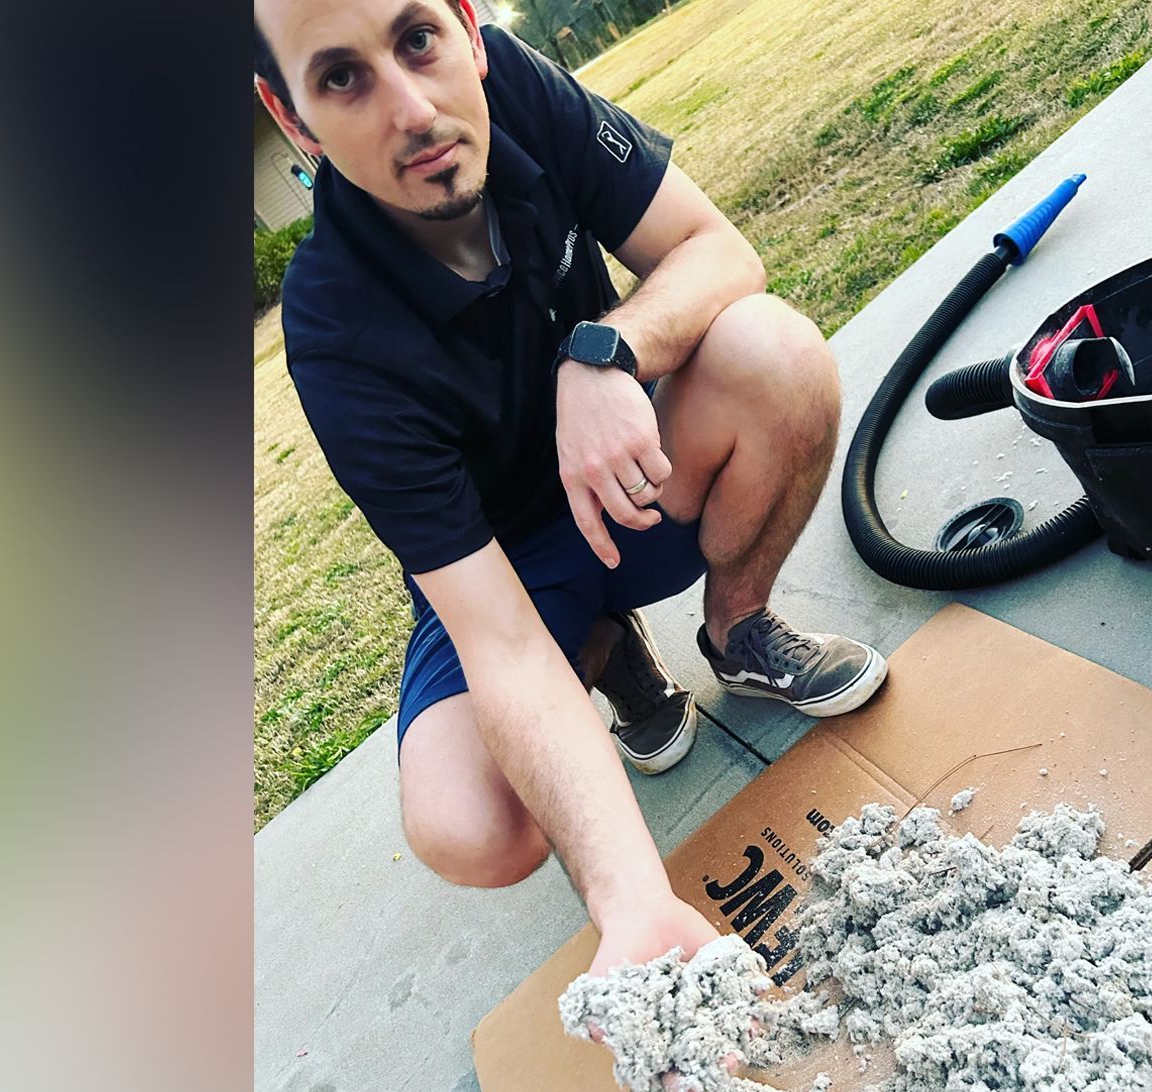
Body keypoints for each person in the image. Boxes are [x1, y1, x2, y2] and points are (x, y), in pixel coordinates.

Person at [254, 0, 888, 976]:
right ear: (292, 118)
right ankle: (608, 652)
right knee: (472, 825)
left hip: (628, 476)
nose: (413, 109)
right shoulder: (333, 330)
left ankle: (740, 627)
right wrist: (632, 901)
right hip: (506, 564)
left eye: (416, 37)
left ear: (468, 24)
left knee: (779, 353)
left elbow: (717, 248)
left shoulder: (518, 90)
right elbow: (496, 635)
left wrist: (606, 353)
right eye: (340, 78)